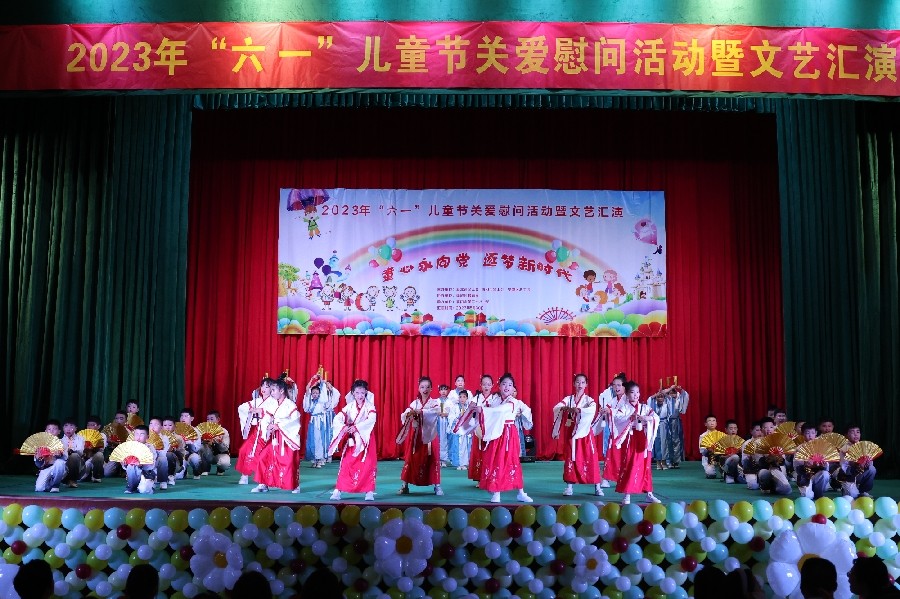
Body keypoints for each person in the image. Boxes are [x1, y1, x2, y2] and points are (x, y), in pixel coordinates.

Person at [459, 372, 533, 503]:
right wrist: (476, 409)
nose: (507, 387)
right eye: (504, 384)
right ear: (499, 386)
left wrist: (483, 410)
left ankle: (521, 492)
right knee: (496, 461)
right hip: (496, 433)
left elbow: (500, 410)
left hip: (508, 434)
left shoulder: (513, 402)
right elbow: (489, 411)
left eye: (510, 385)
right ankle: (496, 492)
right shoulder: (495, 400)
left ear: (513, 388)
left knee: (513, 462)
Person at [606, 381, 661, 504]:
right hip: (630, 440)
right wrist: (630, 418)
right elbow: (617, 418)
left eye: (637, 392)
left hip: (643, 439)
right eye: (632, 392)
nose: (636, 395)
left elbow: (655, 417)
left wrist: (646, 418)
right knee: (630, 465)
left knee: (645, 466)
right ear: (627, 394)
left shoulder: (644, 408)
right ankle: (627, 494)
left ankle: (649, 493)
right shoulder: (624, 408)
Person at [552, 373, 603, 497]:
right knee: (570, 457)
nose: (580, 384)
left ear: (586, 385)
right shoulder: (569, 399)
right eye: (578, 382)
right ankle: (569, 487)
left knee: (591, 458)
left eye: (582, 382)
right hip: (572, 432)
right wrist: (564, 408)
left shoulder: (589, 400)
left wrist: (579, 410)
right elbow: (557, 407)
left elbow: (592, 410)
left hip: (585, 432)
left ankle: (597, 487)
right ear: (574, 384)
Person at [252, 374, 303, 493]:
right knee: (264, 457)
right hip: (274, 437)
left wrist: (278, 426)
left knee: (288, 462)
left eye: (273, 390)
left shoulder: (290, 405)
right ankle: (263, 484)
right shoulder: (273, 404)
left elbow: (295, 421)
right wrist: (268, 426)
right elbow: (267, 416)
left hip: (286, 437)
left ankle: (295, 485)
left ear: (281, 391)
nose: (272, 393)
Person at [330, 379, 378, 501]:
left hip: (366, 438)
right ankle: (338, 490)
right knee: (346, 463)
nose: (360, 395)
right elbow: (338, 418)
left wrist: (357, 427)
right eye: (357, 392)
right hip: (353, 440)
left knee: (368, 464)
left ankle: (369, 492)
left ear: (366, 392)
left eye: (362, 392)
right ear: (353, 393)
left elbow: (371, 420)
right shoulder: (350, 406)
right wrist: (344, 426)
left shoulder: (369, 406)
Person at [397, 376, 443, 496]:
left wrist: (421, 412)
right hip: (417, 436)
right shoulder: (415, 403)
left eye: (427, 387)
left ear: (431, 389)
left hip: (430, 435)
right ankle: (404, 485)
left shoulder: (435, 403)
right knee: (411, 458)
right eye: (422, 387)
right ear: (418, 388)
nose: (425, 389)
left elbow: (436, 412)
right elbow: (405, 414)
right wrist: (409, 414)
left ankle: (437, 486)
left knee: (433, 459)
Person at [454, 374, 496, 485]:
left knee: (491, 454)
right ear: (480, 385)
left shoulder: (495, 398)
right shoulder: (476, 398)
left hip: (491, 429)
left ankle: (490, 477)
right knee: (479, 453)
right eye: (484, 384)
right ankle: (480, 478)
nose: (486, 386)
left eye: (489, 384)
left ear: (492, 385)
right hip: (478, 430)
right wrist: (459, 425)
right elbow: (468, 412)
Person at [236, 376, 278, 484]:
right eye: (262, 386)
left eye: (267, 386)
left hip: (267, 432)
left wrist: (261, 411)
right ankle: (245, 474)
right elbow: (242, 408)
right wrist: (251, 411)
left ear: (272, 389)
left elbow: (274, 414)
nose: (263, 388)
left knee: (259, 453)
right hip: (257, 431)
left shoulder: (274, 401)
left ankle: (259, 477)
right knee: (244, 450)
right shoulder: (257, 400)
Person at [303, 373, 339, 468]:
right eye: (313, 393)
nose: (315, 394)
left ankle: (320, 459)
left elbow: (324, 388)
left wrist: (321, 379)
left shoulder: (322, 401)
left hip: (321, 422)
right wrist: (312, 379)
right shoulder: (310, 401)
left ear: (320, 394)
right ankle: (314, 460)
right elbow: (307, 389)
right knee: (312, 440)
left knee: (320, 440)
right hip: (313, 422)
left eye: (317, 393)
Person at [649, 384, 688, 470]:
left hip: (666, 424)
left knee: (668, 442)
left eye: (661, 397)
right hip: (656, 425)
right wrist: (660, 393)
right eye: (658, 397)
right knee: (657, 443)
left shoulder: (668, 404)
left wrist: (672, 389)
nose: (660, 398)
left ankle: (669, 461)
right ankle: (659, 462)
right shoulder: (654, 404)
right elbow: (651, 399)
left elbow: (672, 399)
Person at [598, 372, 626, 487]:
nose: (616, 387)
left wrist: (611, 411)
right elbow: (608, 408)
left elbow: (625, 414)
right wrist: (604, 411)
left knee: (625, 456)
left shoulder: (628, 399)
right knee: (611, 454)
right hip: (614, 431)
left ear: (624, 386)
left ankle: (624, 478)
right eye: (614, 385)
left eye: (619, 385)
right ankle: (607, 477)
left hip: (625, 432)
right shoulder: (613, 400)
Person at [834, 424, 877, 499]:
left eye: (858, 432)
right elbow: (843, 468)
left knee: (872, 469)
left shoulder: (864, 446)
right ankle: (846, 488)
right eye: (852, 432)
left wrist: (867, 463)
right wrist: (855, 464)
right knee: (852, 497)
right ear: (846, 435)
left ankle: (864, 491)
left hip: (859, 474)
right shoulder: (843, 448)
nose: (856, 434)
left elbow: (870, 462)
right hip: (847, 477)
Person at [795, 423, 832, 499]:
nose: (810, 436)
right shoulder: (799, 448)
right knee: (806, 496)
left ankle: (818, 494)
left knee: (825, 474)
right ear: (803, 434)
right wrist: (805, 463)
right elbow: (796, 467)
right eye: (807, 433)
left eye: (812, 433)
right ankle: (809, 489)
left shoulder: (822, 447)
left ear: (816, 433)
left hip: (817, 475)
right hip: (805, 476)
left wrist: (824, 464)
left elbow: (827, 467)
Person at [33, 419, 67, 493]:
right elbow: (38, 465)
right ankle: (50, 482)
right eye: (49, 429)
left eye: (54, 429)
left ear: (59, 431)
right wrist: (39, 459)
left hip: (59, 468)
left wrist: (59, 455)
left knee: (60, 462)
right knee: (39, 488)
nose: (51, 431)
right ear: (46, 431)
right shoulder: (40, 445)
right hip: (46, 468)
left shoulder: (63, 443)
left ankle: (56, 486)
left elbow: (66, 459)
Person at [123, 425, 157, 494]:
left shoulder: (150, 447)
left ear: (147, 437)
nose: (138, 437)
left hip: (147, 473)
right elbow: (125, 465)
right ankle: (132, 487)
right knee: (131, 466)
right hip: (134, 471)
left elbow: (151, 464)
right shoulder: (130, 447)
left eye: (142, 434)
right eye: (136, 434)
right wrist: (124, 463)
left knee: (144, 490)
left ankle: (147, 484)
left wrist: (141, 463)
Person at [199, 411, 231, 476]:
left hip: (220, 454)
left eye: (211, 419)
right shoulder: (203, 430)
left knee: (225, 463)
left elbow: (225, 449)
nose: (209, 421)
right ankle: (205, 468)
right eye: (208, 419)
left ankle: (220, 469)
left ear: (218, 419)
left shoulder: (224, 431)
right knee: (201, 447)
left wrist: (219, 442)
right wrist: (203, 441)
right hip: (208, 454)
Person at [446, 388, 471, 470]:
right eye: (460, 397)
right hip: (457, 429)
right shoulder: (455, 407)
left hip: (465, 430)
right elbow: (451, 417)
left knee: (465, 447)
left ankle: (464, 463)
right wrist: (456, 419)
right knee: (456, 446)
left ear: (467, 398)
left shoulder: (469, 407)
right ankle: (458, 464)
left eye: (464, 397)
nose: (462, 399)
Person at [59, 417, 86, 488]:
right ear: (63, 428)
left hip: (78, 465)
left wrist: (70, 450)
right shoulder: (60, 441)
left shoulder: (80, 438)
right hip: (64, 465)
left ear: (76, 428)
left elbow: (80, 451)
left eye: (71, 426)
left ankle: (72, 480)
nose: (68, 429)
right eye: (66, 426)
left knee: (74, 456)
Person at [178, 408, 205, 479]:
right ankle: (184, 471)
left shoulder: (196, 431)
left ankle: (196, 472)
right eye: (182, 416)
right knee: (178, 476)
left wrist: (189, 445)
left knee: (195, 458)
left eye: (186, 416)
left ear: (192, 419)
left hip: (190, 454)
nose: (183, 418)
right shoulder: (176, 430)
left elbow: (197, 448)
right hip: (180, 456)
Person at [81, 415, 107, 482]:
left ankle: (96, 476)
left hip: (95, 458)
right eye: (88, 425)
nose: (90, 427)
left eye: (93, 425)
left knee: (99, 455)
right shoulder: (82, 435)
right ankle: (86, 474)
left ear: (98, 426)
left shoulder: (102, 436)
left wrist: (92, 448)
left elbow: (101, 449)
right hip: (84, 457)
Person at [147, 417, 172, 490]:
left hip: (157, 460)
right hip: (147, 461)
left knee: (163, 459)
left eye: (156, 424)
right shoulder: (145, 436)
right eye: (151, 424)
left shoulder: (164, 438)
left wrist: (154, 449)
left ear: (161, 427)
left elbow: (164, 453)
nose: (152, 426)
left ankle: (163, 481)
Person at [699, 414, 720, 479]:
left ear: (716, 423)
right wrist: (709, 449)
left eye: (713, 421)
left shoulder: (721, 435)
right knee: (711, 474)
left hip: (720, 457)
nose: (712, 422)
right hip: (708, 458)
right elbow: (702, 451)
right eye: (709, 421)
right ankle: (710, 469)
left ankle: (724, 472)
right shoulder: (703, 436)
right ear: (705, 424)